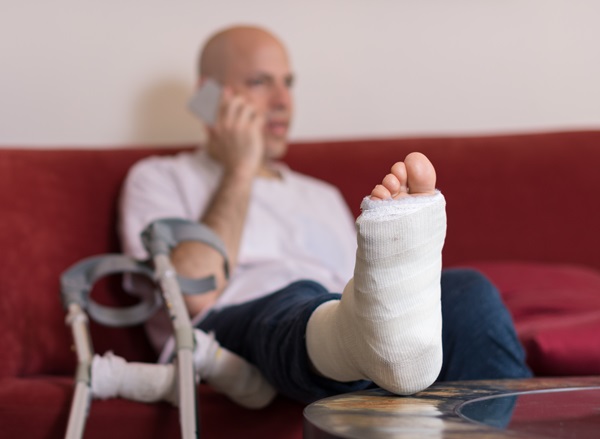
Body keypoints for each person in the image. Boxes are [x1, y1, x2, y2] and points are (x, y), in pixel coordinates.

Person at [92, 25, 531, 408]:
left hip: (332, 320)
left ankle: (382, 351)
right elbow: (193, 294)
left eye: (288, 82)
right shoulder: (158, 177)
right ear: (209, 97)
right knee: (303, 297)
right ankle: (364, 344)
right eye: (261, 82)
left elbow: (359, 293)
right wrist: (240, 168)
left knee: (467, 295)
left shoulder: (319, 195)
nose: (283, 101)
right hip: (222, 331)